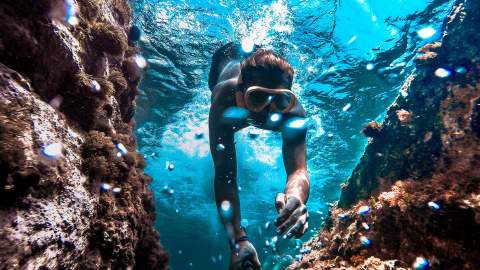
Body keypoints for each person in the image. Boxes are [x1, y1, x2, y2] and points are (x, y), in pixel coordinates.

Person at [208, 43, 310, 270]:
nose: (269, 112)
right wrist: (238, 240)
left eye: (279, 100)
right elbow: (225, 175)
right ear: (240, 91)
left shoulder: (293, 113)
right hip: (224, 58)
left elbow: (298, 169)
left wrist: (296, 197)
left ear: (289, 98)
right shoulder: (223, 99)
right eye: (257, 98)